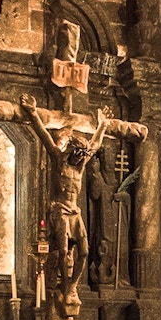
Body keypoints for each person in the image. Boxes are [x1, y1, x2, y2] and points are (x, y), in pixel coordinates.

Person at [19, 94, 109, 305]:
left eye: (82, 157)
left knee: (84, 252)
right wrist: (32, 112)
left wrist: (103, 126)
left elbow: (95, 145)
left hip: (74, 212)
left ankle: (72, 285)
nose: (79, 159)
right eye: (77, 155)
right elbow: (43, 135)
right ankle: (65, 285)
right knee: (62, 250)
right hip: (59, 210)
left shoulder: (81, 166)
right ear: (70, 151)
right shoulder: (59, 161)